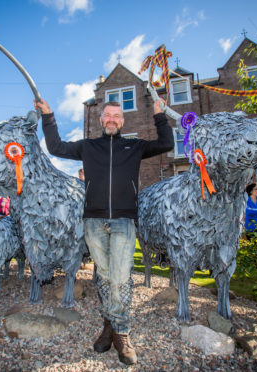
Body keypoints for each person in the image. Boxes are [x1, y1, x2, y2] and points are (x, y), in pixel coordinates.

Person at [35, 98, 173, 365]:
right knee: (106, 278)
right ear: (101, 121)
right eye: (107, 115)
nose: (111, 119)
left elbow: (167, 143)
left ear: (122, 121)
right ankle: (110, 325)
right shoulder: (89, 146)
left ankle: (122, 333)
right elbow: (55, 147)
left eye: (116, 116)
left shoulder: (135, 146)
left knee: (120, 278)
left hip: (123, 222)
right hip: (94, 223)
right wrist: (49, 115)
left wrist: (159, 114)